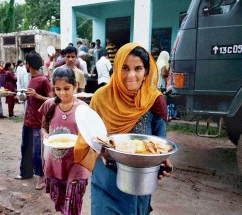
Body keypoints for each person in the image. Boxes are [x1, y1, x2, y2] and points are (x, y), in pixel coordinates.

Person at [74, 43, 173, 215]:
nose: (131, 75)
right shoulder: (101, 97)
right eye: (125, 68)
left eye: (138, 68)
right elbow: (88, 136)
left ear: (146, 72)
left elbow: (160, 143)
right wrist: (100, 151)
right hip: (106, 180)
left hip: (138, 183)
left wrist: (161, 163)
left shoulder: (154, 100)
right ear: (117, 68)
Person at [39, 67, 90, 214]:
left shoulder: (83, 108)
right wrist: (45, 135)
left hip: (77, 165)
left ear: (75, 86)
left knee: (73, 206)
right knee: (60, 202)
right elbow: (43, 127)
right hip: (55, 163)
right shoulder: (50, 105)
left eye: (67, 88)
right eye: (58, 89)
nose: (62, 93)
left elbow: (90, 135)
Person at [16, 51, 53, 190]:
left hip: (38, 122)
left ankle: (42, 176)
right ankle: (25, 173)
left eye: (25, 63)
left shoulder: (43, 80)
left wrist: (37, 95)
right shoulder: (31, 78)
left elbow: (52, 99)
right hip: (28, 120)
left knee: (37, 152)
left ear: (28, 64)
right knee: (25, 148)